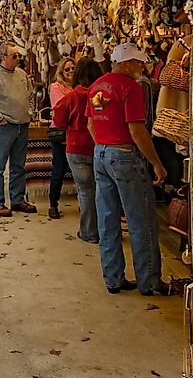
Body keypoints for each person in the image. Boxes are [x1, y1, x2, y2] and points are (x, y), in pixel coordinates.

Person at [86, 43, 169, 295]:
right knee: (140, 220)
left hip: (100, 153)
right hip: (124, 155)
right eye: (138, 62)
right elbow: (137, 130)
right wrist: (157, 163)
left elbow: (90, 124)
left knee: (108, 219)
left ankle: (113, 278)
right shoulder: (131, 88)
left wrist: (104, 146)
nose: (141, 67)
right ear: (125, 63)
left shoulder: (96, 86)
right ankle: (150, 282)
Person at [0, 42, 36, 217]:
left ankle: (17, 199)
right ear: (3, 57)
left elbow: (30, 95)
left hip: (22, 125)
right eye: (14, 56)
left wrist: (29, 112)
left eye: (19, 55)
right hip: (4, 127)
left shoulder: (22, 75)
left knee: (19, 165)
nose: (18, 59)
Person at [51, 58, 103, 244]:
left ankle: (89, 232)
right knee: (102, 191)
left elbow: (58, 121)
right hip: (99, 147)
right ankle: (105, 231)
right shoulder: (102, 96)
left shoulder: (71, 97)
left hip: (76, 149)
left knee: (86, 191)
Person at [47, 57, 75, 219]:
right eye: (67, 69)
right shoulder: (56, 87)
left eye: (73, 68)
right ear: (61, 72)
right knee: (59, 170)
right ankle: (53, 204)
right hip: (61, 135)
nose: (70, 72)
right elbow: (61, 108)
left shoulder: (77, 87)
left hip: (76, 133)